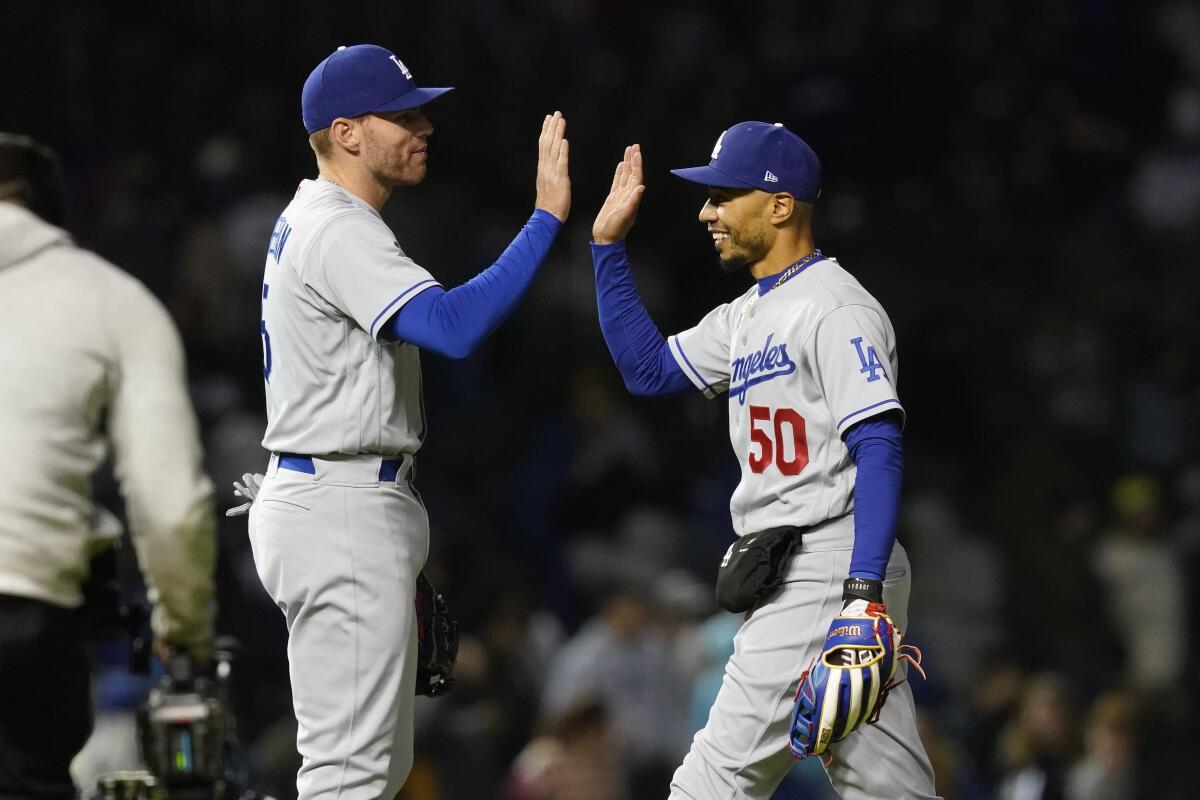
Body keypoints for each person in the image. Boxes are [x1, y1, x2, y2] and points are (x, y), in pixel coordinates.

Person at [245, 44, 570, 799]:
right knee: (349, 781)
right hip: (340, 503)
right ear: (348, 132)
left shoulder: (320, 218)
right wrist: (545, 219)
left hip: (338, 494)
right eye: (403, 114)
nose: (424, 125)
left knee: (375, 773)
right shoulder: (335, 226)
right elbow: (453, 326)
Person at [588, 124, 938, 799]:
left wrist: (861, 596)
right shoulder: (749, 313)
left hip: (826, 563)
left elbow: (879, 445)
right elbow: (649, 369)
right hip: (814, 563)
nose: (706, 212)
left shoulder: (836, 307)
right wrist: (607, 247)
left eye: (723, 195)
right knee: (888, 784)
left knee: (710, 783)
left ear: (781, 205)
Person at [0, 133, 216, 800]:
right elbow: (171, 507)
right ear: (54, 216)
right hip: (24, 615)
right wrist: (184, 639)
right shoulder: (112, 300)